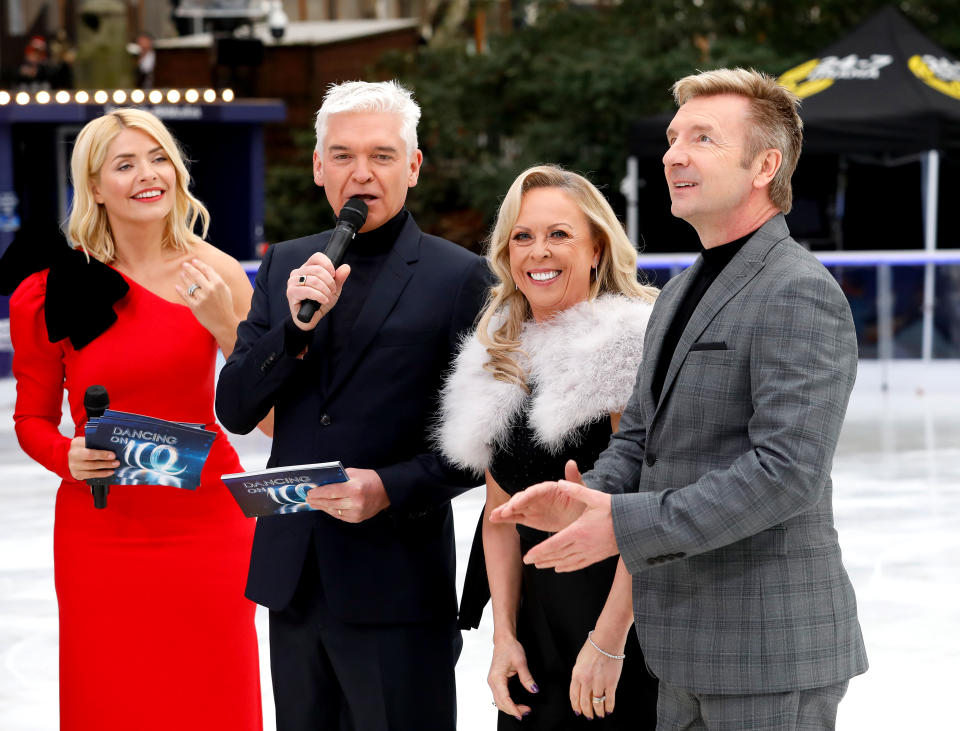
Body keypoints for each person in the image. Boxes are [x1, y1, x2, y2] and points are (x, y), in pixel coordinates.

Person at [491, 68, 868, 730]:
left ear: (765, 165)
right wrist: (594, 496)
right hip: (681, 653)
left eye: (702, 138)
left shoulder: (797, 291)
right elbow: (640, 437)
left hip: (767, 653)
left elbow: (786, 474)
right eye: (671, 138)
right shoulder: (680, 291)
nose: (673, 154)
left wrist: (623, 523)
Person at [215, 80, 490, 731]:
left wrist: (389, 488)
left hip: (396, 583)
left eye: (382, 155)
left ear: (414, 166)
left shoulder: (458, 277)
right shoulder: (284, 264)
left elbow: (484, 442)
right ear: (318, 166)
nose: (360, 172)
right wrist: (294, 331)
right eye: (341, 155)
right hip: (296, 580)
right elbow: (234, 404)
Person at [2, 108, 262, 729]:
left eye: (158, 159)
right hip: (103, 531)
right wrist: (64, 456)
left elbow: (270, 414)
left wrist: (227, 326)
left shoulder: (218, 273)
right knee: (112, 696)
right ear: (94, 186)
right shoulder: (48, 290)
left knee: (214, 695)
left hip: (209, 526)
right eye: (125, 164)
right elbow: (31, 419)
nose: (149, 175)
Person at [437, 165, 660, 728]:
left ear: (596, 249)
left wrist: (608, 641)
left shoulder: (629, 345)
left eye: (559, 234)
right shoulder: (496, 354)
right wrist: (504, 637)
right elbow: (498, 517)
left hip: (625, 623)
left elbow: (651, 515)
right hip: (537, 630)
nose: (539, 252)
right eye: (523, 236)